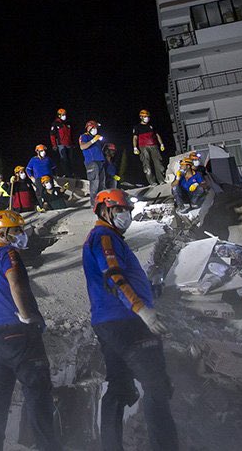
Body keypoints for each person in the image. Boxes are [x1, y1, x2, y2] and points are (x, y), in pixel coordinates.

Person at [83, 189, 178, 451]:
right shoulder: (104, 237)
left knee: (120, 386)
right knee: (156, 384)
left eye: (128, 211)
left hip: (111, 321)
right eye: (121, 210)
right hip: (125, 321)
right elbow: (113, 275)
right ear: (105, 210)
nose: (127, 216)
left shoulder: (110, 237)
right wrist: (142, 310)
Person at [0, 211, 62, 451]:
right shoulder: (9, 254)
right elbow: (15, 283)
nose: (22, 234)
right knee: (38, 398)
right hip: (21, 335)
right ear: (4, 233)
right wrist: (26, 316)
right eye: (18, 230)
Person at [133, 110, 167, 186]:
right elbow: (135, 138)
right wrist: (135, 147)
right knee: (146, 165)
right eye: (145, 117)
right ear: (141, 117)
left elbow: (157, 135)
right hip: (143, 147)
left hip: (154, 146)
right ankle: (152, 182)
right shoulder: (137, 127)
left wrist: (161, 144)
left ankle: (161, 180)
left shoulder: (151, 126)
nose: (147, 118)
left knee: (158, 163)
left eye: (148, 117)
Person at [79, 120, 107, 207]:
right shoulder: (84, 136)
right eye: (94, 128)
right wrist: (93, 140)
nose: (96, 130)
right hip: (91, 162)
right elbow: (82, 146)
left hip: (100, 161)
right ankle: (94, 204)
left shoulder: (97, 138)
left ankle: (102, 201)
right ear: (89, 128)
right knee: (95, 182)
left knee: (102, 183)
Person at [49, 108, 74, 178]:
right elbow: (52, 135)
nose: (64, 116)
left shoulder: (68, 123)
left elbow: (71, 134)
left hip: (69, 144)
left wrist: (73, 143)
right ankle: (66, 173)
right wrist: (54, 145)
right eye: (63, 115)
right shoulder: (56, 123)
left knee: (70, 159)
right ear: (59, 115)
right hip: (61, 144)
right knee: (64, 159)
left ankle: (71, 173)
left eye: (65, 115)